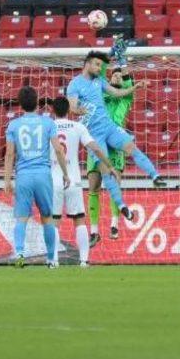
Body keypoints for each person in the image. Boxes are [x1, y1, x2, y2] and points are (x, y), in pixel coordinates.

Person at [66, 50, 167, 225]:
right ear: (87, 63)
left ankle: (155, 176)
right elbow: (72, 107)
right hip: (92, 135)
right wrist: (79, 110)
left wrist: (135, 87)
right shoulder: (74, 85)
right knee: (106, 172)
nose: (99, 68)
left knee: (132, 148)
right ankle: (121, 206)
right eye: (97, 64)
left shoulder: (100, 81)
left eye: (100, 65)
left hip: (110, 127)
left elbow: (116, 92)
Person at [4, 86, 69, 268]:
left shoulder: (14, 125)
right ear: (37, 102)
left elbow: (10, 154)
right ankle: (51, 259)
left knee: (21, 218)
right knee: (47, 217)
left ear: (20, 104)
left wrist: (7, 179)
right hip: (43, 175)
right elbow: (58, 149)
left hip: (23, 175)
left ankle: (19, 253)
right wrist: (65, 173)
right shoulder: (48, 123)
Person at [49, 96, 119, 267]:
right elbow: (95, 147)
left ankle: (54, 261)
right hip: (73, 180)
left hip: (53, 180)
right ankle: (84, 260)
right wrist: (109, 166)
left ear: (53, 111)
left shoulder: (47, 127)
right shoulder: (78, 126)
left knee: (54, 221)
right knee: (79, 219)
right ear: (68, 111)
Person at [87, 66, 134, 245]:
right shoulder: (100, 95)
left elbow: (128, 82)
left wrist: (123, 63)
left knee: (114, 185)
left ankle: (114, 225)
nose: (117, 77)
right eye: (114, 75)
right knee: (94, 187)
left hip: (115, 144)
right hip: (97, 142)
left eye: (120, 76)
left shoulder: (126, 97)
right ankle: (94, 231)